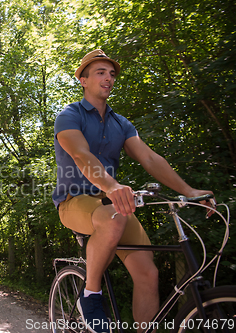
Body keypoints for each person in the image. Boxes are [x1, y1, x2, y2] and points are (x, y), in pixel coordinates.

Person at [52, 49, 213, 333]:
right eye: (100, 72)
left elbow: (150, 158)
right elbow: (81, 155)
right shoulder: (69, 115)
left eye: (112, 74)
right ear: (83, 80)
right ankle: (90, 295)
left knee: (148, 274)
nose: (108, 78)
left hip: (113, 205)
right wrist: (113, 186)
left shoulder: (120, 123)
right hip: (74, 201)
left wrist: (189, 190)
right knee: (114, 216)